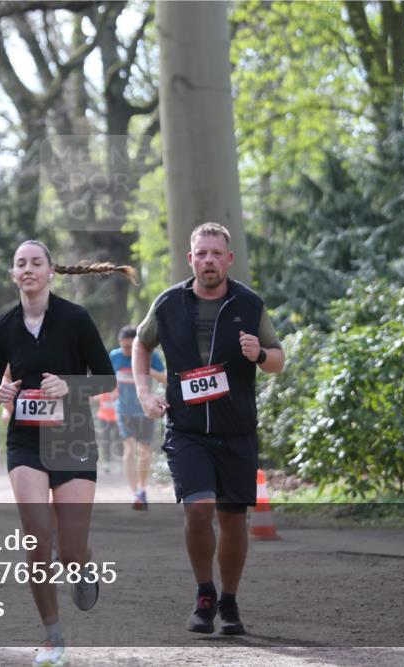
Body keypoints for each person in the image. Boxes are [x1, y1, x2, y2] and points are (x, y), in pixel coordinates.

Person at [0, 241, 132, 667]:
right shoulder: (4, 327)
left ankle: (82, 563)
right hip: (25, 441)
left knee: (68, 550)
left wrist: (72, 386)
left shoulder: (75, 319)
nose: (28, 270)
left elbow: (106, 378)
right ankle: (52, 635)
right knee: (35, 539)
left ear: (50, 272)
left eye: (36, 263)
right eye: (20, 264)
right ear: (13, 275)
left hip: (73, 438)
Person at [133, 222, 285, 636]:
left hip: (235, 429)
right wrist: (146, 394)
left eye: (216, 254)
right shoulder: (167, 304)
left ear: (229, 259)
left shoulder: (249, 304)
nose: (209, 261)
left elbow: (278, 359)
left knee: (233, 521)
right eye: (201, 254)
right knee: (198, 509)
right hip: (186, 429)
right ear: (190, 258)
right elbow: (141, 345)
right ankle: (204, 594)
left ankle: (229, 601)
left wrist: (259, 355)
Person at [110, 325, 166, 510]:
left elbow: (165, 378)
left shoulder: (150, 356)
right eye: (123, 347)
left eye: (129, 347)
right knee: (129, 448)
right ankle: (135, 492)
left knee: (144, 451)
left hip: (145, 409)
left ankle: (142, 489)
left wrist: (145, 369)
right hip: (123, 409)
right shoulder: (115, 356)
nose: (126, 351)